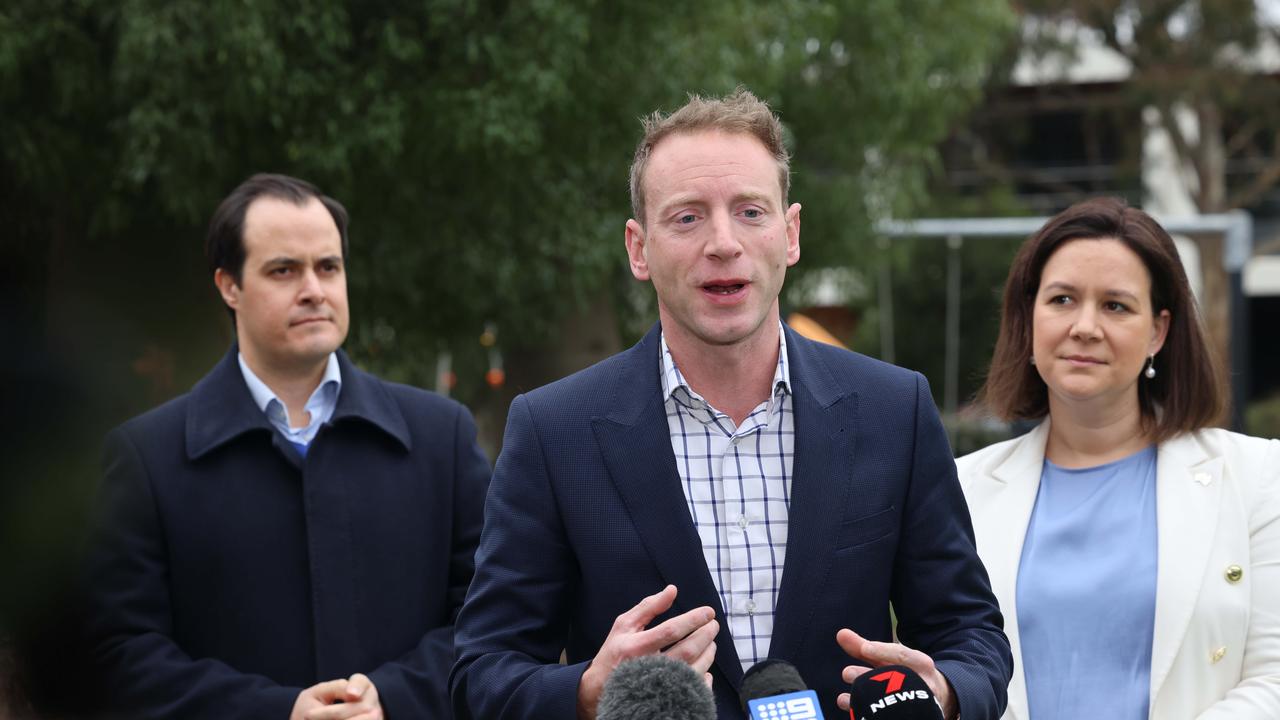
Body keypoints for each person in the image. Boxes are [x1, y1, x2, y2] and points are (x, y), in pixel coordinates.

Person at [450, 89, 1012, 720]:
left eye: (750, 212)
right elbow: (481, 675)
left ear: (790, 233)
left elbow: (973, 637)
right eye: (687, 217)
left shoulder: (895, 410)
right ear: (639, 248)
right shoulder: (554, 430)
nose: (723, 241)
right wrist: (586, 692)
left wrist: (942, 693)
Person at [87, 173, 491, 719]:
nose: (314, 290)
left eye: (328, 267)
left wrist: (392, 698)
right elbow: (119, 654)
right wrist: (278, 712)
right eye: (284, 270)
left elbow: (492, 616)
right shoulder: (147, 458)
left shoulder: (441, 436)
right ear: (229, 286)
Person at [957, 197, 1280, 719]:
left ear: (1158, 331)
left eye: (1116, 305)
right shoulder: (962, 489)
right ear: (1029, 316)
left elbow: (1274, 678)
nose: (1085, 326)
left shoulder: (1257, 477)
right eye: (1062, 299)